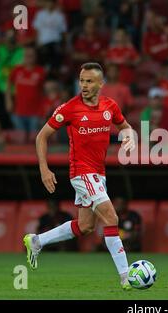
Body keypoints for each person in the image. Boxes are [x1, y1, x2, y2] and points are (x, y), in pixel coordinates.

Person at [24, 62, 136, 291]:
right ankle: (127, 276)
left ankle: (37, 241)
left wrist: (129, 137)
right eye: (81, 80)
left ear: (101, 84)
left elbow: (125, 126)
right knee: (111, 217)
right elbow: (41, 137)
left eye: (89, 81)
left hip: (99, 173)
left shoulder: (110, 106)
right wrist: (44, 169)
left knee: (85, 226)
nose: (84, 85)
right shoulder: (69, 108)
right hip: (81, 173)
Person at [6, 46, 46, 136]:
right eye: (26, 56)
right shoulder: (17, 70)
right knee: (20, 140)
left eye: (31, 56)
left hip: (35, 113)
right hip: (18, 111)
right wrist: (8, 100)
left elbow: (44, 91)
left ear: (35, 57)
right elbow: (8, 85)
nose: (28, 58)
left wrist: (44, 110)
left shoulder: (40, 71)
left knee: (34, 140)